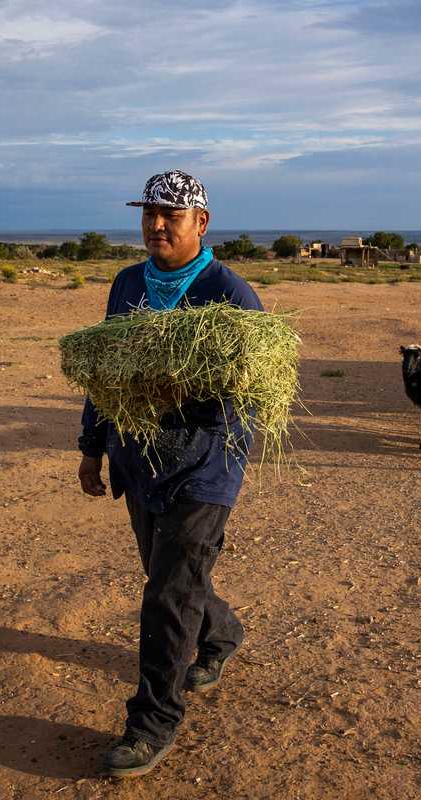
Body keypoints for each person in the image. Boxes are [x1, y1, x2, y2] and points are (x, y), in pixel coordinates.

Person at [76, 170, 262, 778]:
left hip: (204, 463)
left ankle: (151, 723)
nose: (156, 225)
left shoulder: (228, 296)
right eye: (149, 214)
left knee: (166, 594)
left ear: (200, 224)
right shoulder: (127, 285)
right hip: (138, 461)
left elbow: (256, 392)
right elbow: (104, 372)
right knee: (167, 576)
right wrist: (92, 446)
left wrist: (187, 392)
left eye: (170, 216)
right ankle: (221, 634)